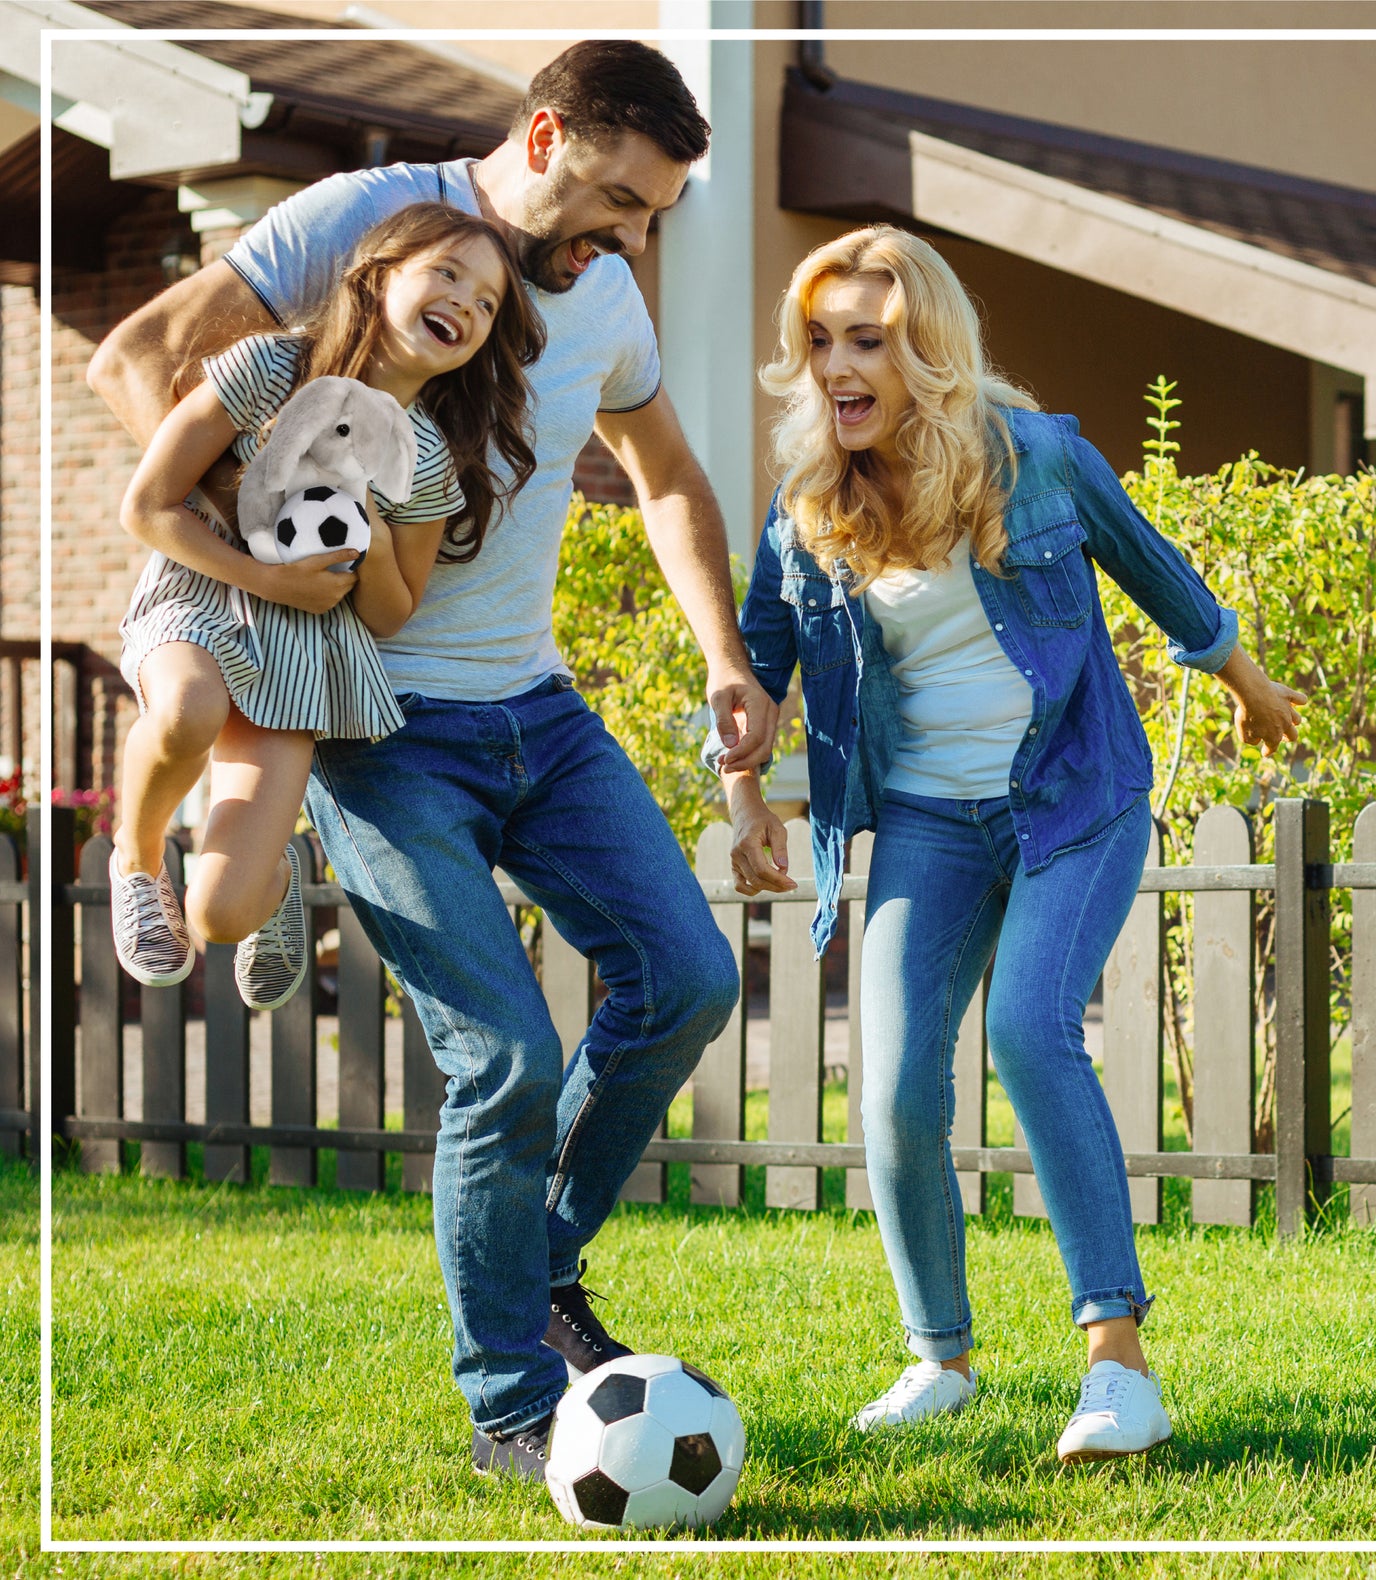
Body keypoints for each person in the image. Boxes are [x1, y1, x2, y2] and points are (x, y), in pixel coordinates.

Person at [88, 41, 777, 1481]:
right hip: (376, 726)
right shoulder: (362, 221)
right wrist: (271, 542)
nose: (629, 238)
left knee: (688, 980)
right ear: (545, 136)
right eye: (617, 199)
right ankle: (512, 1404)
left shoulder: (601, 294)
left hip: (538, 709)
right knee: (503, 1058)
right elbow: (139, 359)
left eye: (653, 215)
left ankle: (535, 1267)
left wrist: (724, 653)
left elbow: (663, 476)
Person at [715, 225, 1305, 1464]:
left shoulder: (1036, 458)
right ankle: (938, 1357)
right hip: (927, 817)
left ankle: (1117, 1366)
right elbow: (754, 665)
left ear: (925, 347)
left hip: (1070, 793)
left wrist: (1246, 682)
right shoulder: (810, 500)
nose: (835, 366)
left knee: (1032, 1029)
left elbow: (1153, 568)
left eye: (865, 340)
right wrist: (744, 795)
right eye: (817, 342)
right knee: (890, 1083)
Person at [110, 203, 543, 1013]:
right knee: (188, 708)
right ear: (377, 277)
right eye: (447, 273)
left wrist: (372, 538)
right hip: (203, 597)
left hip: (303, 654)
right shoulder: (269, 367)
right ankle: (135, 861)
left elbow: (390, 614)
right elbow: (148, 507)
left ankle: (273, 883)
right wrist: (265, 577)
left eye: (486, 303)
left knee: (220, 914)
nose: (465, 301)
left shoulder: (425, 461)